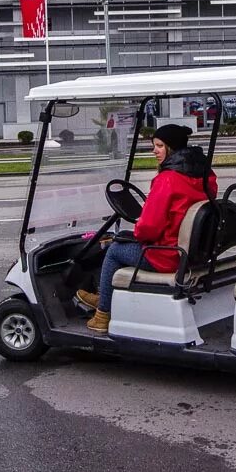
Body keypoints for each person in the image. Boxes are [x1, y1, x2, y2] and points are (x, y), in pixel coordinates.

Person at [75, 123, 217, 334]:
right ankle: (103, 296)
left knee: (114, 248)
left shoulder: (167, 179)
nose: (154, 151)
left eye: (159, 146)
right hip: (191, 250)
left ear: (171, 148)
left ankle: (103, 314)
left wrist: (139, 225)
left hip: (165, 255)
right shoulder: (205, 176)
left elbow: (148, 229)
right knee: (122, 240)